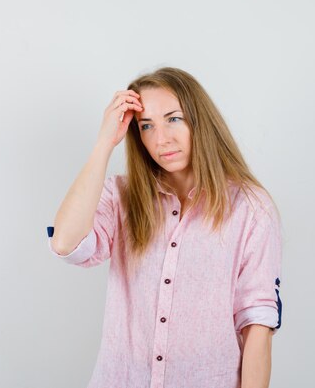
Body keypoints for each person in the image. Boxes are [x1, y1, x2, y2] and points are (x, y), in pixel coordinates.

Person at [47, 67, 283, 388]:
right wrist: (104, 143)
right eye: (147, 126)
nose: (161, 139)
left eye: (173, 119)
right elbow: (66, 244)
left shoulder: (250, 208)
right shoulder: (120, 196)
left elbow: (257, 322)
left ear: (200, 120)